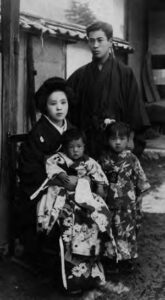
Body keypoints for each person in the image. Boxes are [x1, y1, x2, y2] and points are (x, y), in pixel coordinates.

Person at [32, 128, 129, 295]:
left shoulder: (89, 162)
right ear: (64, 147)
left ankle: (94, 275)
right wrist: (61, 176)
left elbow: (100, 178)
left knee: (96, 220)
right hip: (62, 199)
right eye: (71, 147)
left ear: (84, 146)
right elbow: (50, 170)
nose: (75, 150)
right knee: (69, 230)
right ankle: (74, 281)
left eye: (79, 146)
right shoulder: (59, 159)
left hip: (85, 198)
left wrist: (96, 187)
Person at [67, 21, 151, 158]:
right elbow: (68, 107)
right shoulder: (80, 75)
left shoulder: (125, 73)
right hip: (89, 145)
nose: (95, 45)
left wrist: (131, 141)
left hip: (116, 143)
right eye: (91, 41)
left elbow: (136, 110)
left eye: (100, 40)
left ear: (110, 42)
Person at [18, 77, 74, 255]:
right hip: (45, 188)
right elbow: (29, 169)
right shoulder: (38, 133)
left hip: (71, 185)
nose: (59, 107)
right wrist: (56, 182)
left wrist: (78, 178)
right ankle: (54, 256)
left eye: (63, 102)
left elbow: (81, 159)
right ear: (44, 106)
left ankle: (81, 256)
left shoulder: (72, 130)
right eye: (53, 103)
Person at [99, 122, 150, 273]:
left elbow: (141, 180)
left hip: (127, 204)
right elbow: (98, 179)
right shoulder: (103, 159)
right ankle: (111, 259)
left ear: (128, 140)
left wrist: (139, 200)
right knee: (110, 230)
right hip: (109, 203)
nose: (118, 142)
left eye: (122, 138)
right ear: (107, 140)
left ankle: (127, 260)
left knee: (126, 231)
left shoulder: (132, 158)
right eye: (113, 138)